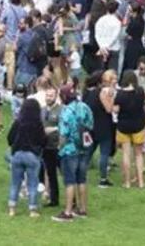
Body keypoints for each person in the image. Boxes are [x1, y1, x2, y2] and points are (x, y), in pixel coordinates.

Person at [53, 85, 93, 222]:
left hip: (70, 150)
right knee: (82, 179)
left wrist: (59, 146)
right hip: (84, 147)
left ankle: (68, 212)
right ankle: (82, 210)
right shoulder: (84, 106)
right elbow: (91, 124)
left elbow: (63, 134)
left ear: (64, 97)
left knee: (69, 181)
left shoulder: (65, 112)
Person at [7, 98, 45, 217]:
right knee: (33, 183)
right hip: (32, 155)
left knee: (15, 183)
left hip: (17, 154)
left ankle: (12, 209)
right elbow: (43, 140)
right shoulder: (38, 124)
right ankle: (32, 209)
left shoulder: (18, 122)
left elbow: (9, 138)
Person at [114, 70, 145, 189]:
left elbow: (115, 110)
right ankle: (141, 182)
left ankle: (127, 182)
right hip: (138, 124)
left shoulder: (120, 94)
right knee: (139, 155)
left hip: (124, 125)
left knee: (126, 154)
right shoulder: (140, 91)